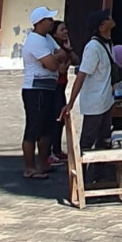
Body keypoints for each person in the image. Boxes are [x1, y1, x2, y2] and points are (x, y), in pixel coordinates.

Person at [60, 9, 117, 154]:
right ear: (102, 26)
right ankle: (82, 173)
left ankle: (100, 174)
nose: (111, 19)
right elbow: (81, 75)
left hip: (106, 100)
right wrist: (71, 102)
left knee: (104, 140)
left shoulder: (108, 44)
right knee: (88, 140)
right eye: (108, 18)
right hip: (95, 102)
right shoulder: (93, 47)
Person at [21, 6, 66, 179]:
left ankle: (42, 163)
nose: (52, 22)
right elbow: (55, 64)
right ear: (40, 22)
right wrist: (54, 60)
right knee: (34, 128)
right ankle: (30, 167)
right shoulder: (35, 41)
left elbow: (61, 54)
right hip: (35, 89)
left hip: (49, 88)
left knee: (48, 127)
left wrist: (54, 59)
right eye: (49, 19)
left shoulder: (47, 38)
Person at [49, 20, 76, 164]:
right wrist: (67, 59)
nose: (65, 32)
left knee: (61, 120)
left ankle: (57, 150)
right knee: (56, 119)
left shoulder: (64, 48)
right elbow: (62, 69)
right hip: (54, 87)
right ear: (54, 34)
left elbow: (76, 60)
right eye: (62, 30)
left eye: (66, 29)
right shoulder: (54, 49)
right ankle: (51, 152)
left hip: (62, 87)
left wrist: (69, 50)